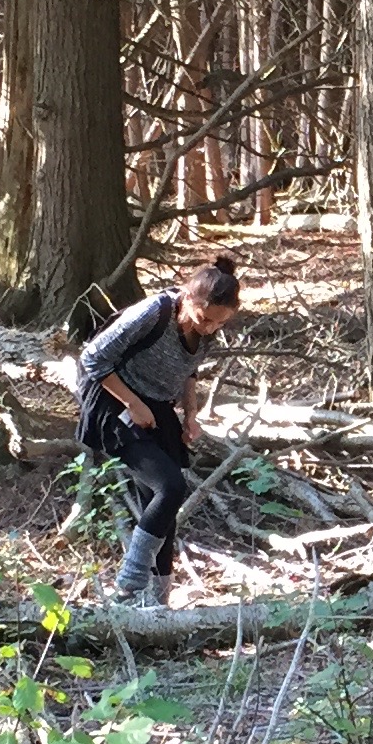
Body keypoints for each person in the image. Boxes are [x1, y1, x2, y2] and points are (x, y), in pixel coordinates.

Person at [77, 258, 244, 608]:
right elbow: (93, 358)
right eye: (205, 318)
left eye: (219, 322)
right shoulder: (154, 312)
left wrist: (191, 416)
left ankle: (157, 602)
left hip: (158, 409)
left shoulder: (207, 333)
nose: (211, 328)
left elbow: (188, 372)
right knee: (170, 487)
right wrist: (133, 403)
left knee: (162, 508)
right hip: (113, 401)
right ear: (188, 299)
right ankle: (128, 587)